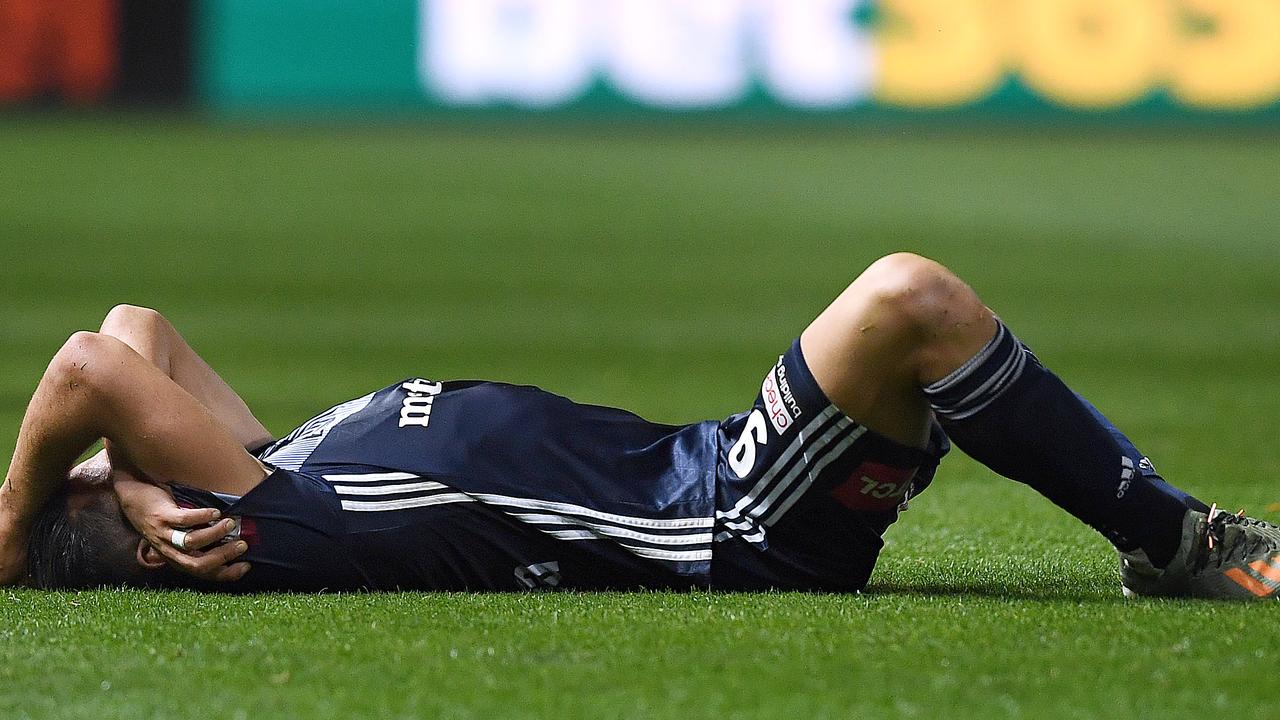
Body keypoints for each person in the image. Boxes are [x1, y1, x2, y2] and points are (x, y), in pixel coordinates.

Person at [1, 253, 1276, 598]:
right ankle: (1178, 546)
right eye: (106, 476)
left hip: (711, 467)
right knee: (912, 301)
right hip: (725, 522)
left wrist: (111, 485)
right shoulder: (270, 512)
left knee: (912, 304)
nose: (118, 461)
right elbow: (82, 372)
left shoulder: (271, 462)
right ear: (174, 528)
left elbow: (131, 326)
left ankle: (1167, 539)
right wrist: (14, 528)